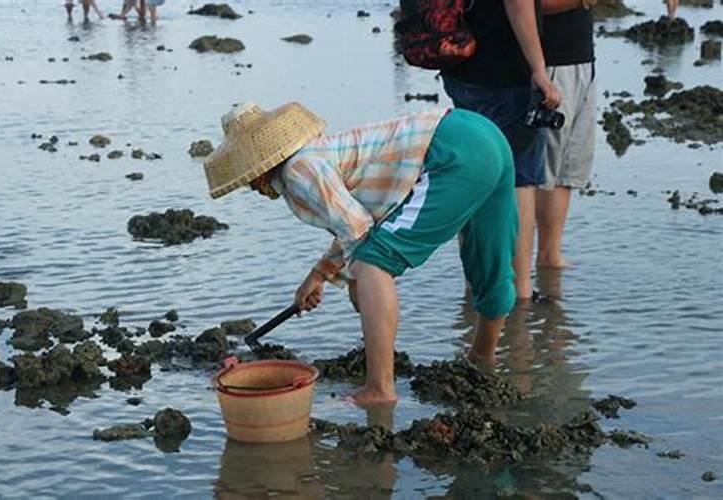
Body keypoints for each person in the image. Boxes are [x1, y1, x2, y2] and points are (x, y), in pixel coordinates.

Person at [204, 102, 519, 406]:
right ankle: (482, 358)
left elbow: (358, 229)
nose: (253, 188)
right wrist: (319, 276)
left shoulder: (297, 172)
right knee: (489, 260)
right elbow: (353, 224)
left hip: (450, 154)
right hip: (478, 133)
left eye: (248, 180)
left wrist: (357, 280)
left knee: (372, 264)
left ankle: (379, 389)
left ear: (259, 169)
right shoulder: (317, 153)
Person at [441, 0, 561, 301]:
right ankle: (518, 291)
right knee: (519, 179)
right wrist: (539, 69)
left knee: (472, 175)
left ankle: (475, 285)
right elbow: (518, 4)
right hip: (505, 74)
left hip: (459, 66)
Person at [537, 0, 597, 268]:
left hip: (582, 60)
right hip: (550, 65)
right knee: (537, 173)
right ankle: (518, 268)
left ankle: (550, 256)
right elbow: (532, 4)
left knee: (566, 171)